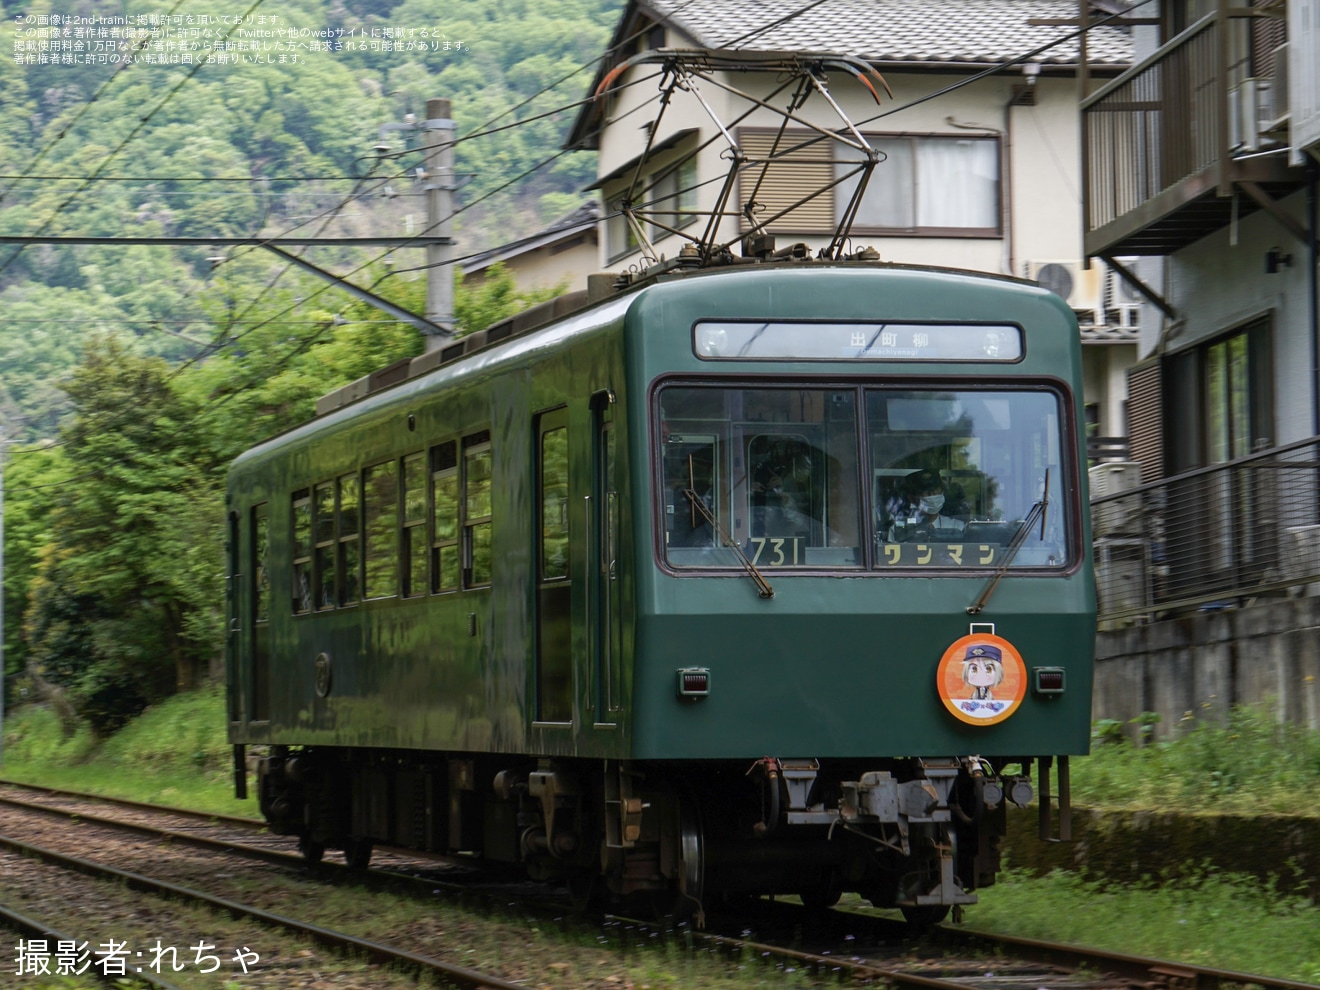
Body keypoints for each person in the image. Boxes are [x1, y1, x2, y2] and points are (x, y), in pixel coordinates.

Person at [887, 469, 965, 541]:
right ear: (912, 498)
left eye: (937, 491)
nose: (933, 495)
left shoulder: (958, 527)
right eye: (928, 493)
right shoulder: (898, 530)